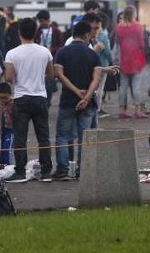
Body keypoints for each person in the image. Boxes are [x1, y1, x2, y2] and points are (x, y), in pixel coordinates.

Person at [53, 20, 107, 180]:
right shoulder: (93, 54)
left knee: (62, 136)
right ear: (86, 35)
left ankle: (62, 170)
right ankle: (83, 171)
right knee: (85, 138)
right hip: (88, 103)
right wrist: (86, 97)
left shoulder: (62, 52)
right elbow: (96, 79)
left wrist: (76, 91)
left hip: (68, 101)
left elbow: (59, 75)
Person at [4, 17, 54, 183]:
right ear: (36, 32)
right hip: (40, 97)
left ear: (19, 33)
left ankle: (20, 170)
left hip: (21, 98)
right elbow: (51, 76)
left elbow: (9, 78)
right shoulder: (45, 52)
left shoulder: (12, 53)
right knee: (43, 137)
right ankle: (46, 170)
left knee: (20, 137)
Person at [116, 6, 147, 119]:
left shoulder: (119, 27)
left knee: (123, 86)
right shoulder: (138, 26)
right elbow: (141, 44)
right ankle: (137, 110)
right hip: (136, 59)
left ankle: (122, 109)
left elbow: (118, 42)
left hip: (124, 58)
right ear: (134, 13)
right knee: (136, 86)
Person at [34, 9, 63, 104]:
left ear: (48, 20)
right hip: (39, 60)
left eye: (42, 21)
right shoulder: (37, 31)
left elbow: (61, 46)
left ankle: (48, 101)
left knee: (50, 81)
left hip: (51, 60)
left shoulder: (56, 31)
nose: (41, 23)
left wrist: (52, 49)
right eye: (39, 21)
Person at [0, 82, 15, 165]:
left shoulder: (14, 103)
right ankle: (3, 166)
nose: (3, 100)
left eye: (5, 98)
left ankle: (8, 166)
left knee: (7, 148)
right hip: (1, 130)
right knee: (1, 149)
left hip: (11, 129)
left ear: (10, 95)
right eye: (0, 98)